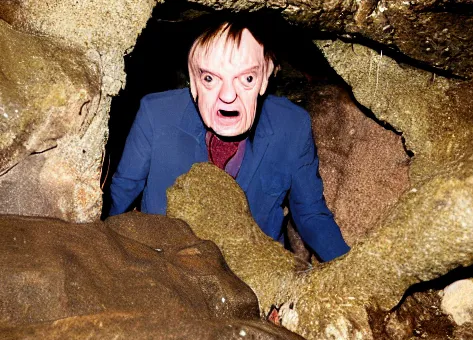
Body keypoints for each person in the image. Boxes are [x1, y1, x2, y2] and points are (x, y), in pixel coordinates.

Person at [109, 15, 349, 261]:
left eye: (247, 78)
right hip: (169, 272)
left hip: (253, 276)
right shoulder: (156, 115)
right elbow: (123, 191)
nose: (227, 95)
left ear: (266, 76)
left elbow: (310, 214)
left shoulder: (291, 126)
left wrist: (347, 274)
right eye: (210, 78)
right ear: (192, 80)